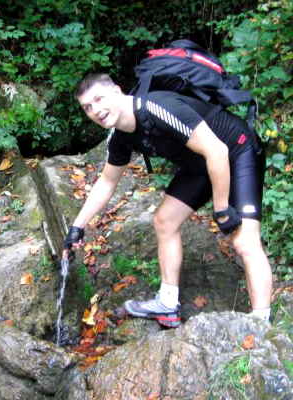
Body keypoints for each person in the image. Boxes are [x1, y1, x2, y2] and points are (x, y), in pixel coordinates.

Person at [62, 73, 273, 327]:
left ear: (117, 92)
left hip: (237, 151)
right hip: (201, 165)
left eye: (99, 99)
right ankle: (168, 304)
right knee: (165, 221)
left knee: (244, 240)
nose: (95, 110)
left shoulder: (158, 108)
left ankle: (261, 326)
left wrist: (222, 209)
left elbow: (217, 151)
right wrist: (77, 226)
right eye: (87, 107)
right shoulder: (120, 136)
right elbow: (107, 181)